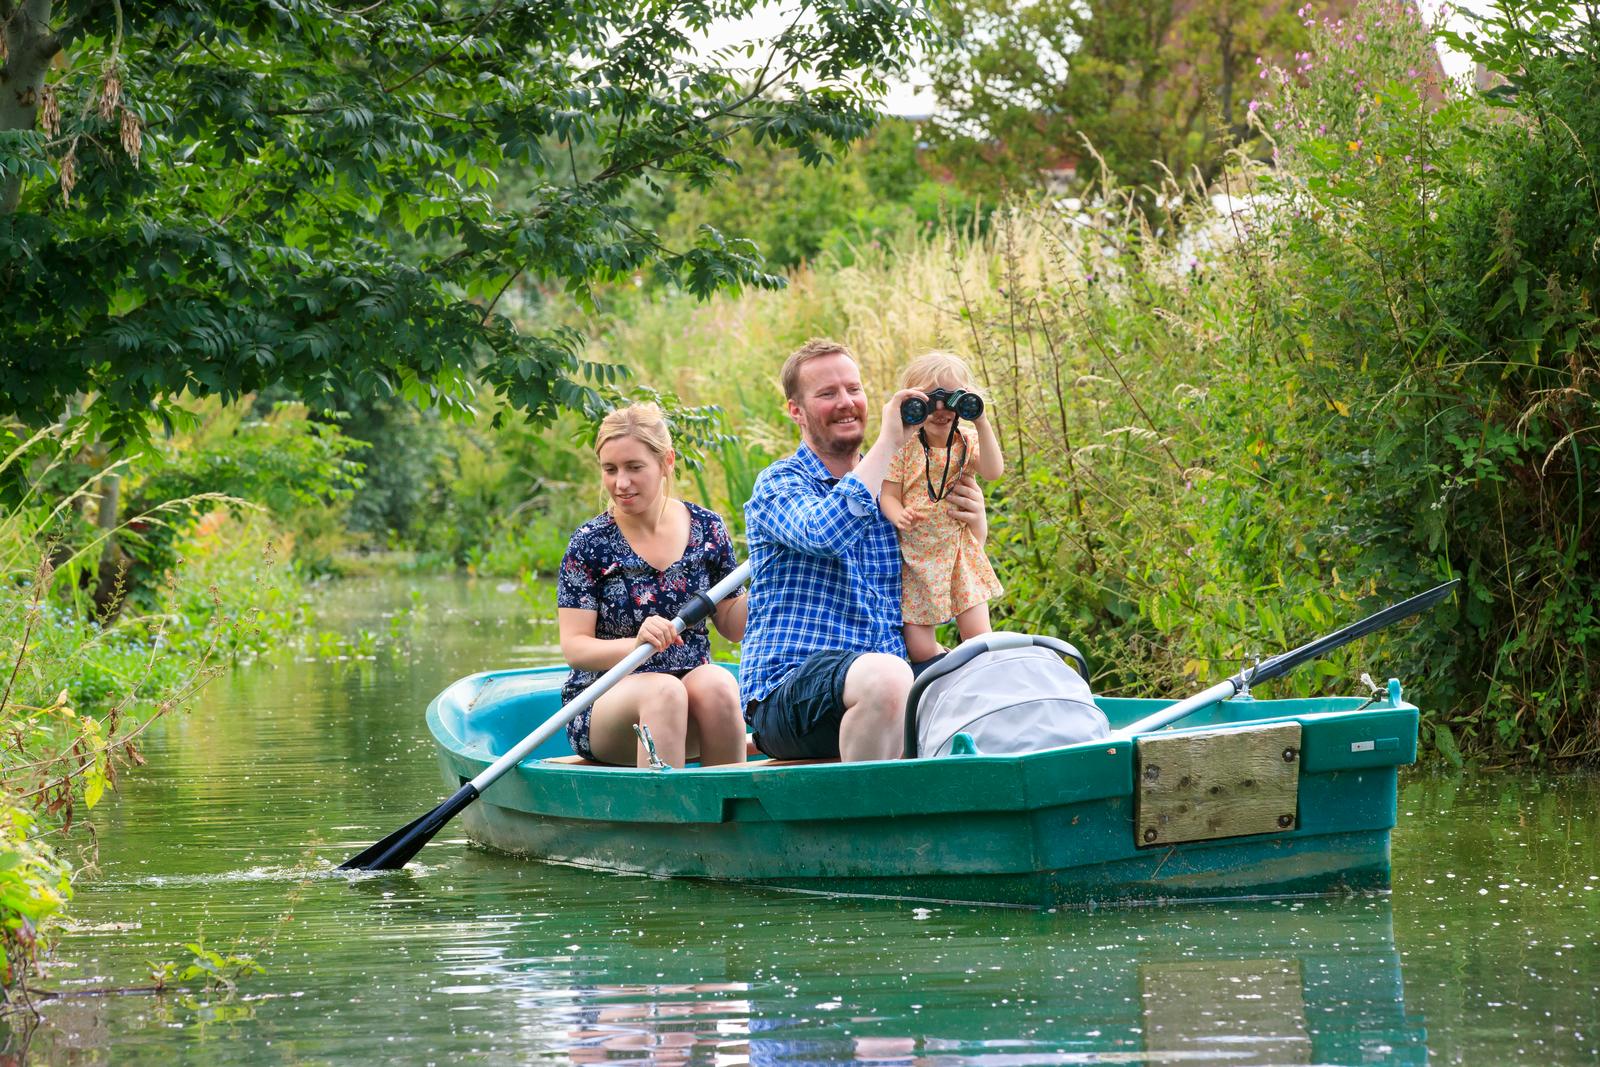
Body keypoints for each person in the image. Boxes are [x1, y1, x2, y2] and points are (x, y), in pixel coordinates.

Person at [740, 338, 988, 763]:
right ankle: (866, 805)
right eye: (827, 393)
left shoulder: (901, 488)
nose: (845, 402)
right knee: (887, 677)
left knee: (997, 674)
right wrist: (889, 443)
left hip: (892, 681)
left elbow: (934, 583)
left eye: (853, 389)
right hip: (790, 693)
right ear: (796, 411)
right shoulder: (779, 483)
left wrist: (974, 530)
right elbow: (824, 534)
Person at [556, 403, 747, 768]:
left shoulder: (708, 528)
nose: (620, 483)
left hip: (691, 698)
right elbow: (575, 647)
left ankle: (728, 802)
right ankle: (664, 806)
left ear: (666, 462)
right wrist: (635, 645)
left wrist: (774, 580)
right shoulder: (589, 543)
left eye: (634, 467)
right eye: (610, 469)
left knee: (720, 685)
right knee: (664, 692)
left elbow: (733, 627)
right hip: (606, 702)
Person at [879, 351, 1005, 663]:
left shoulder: (967, 440)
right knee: (920, 650)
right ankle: (949, 666)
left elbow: (993, 471)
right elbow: (888, 495)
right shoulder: (904, 447)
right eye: (929, 400)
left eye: (951, 399)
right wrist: (899, 514)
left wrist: (981, 420)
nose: (940, 409)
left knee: (979, 638)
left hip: (959, 552)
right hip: (916, 558)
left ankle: (978, 674)